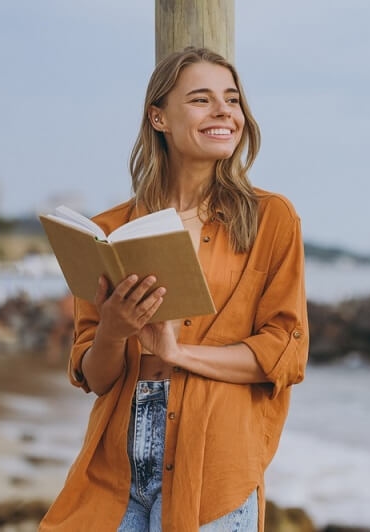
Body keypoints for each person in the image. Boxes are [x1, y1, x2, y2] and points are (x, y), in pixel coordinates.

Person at [40, 47, 309, 531]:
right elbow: (95, 377)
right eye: (202, 100)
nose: (225, 111)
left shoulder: (272, 219)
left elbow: (284, 354)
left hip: (215, 461)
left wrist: (175, 351)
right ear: (158, 116)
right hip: (115, 460)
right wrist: (113, 333)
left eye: (232, 99)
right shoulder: (109, 231)